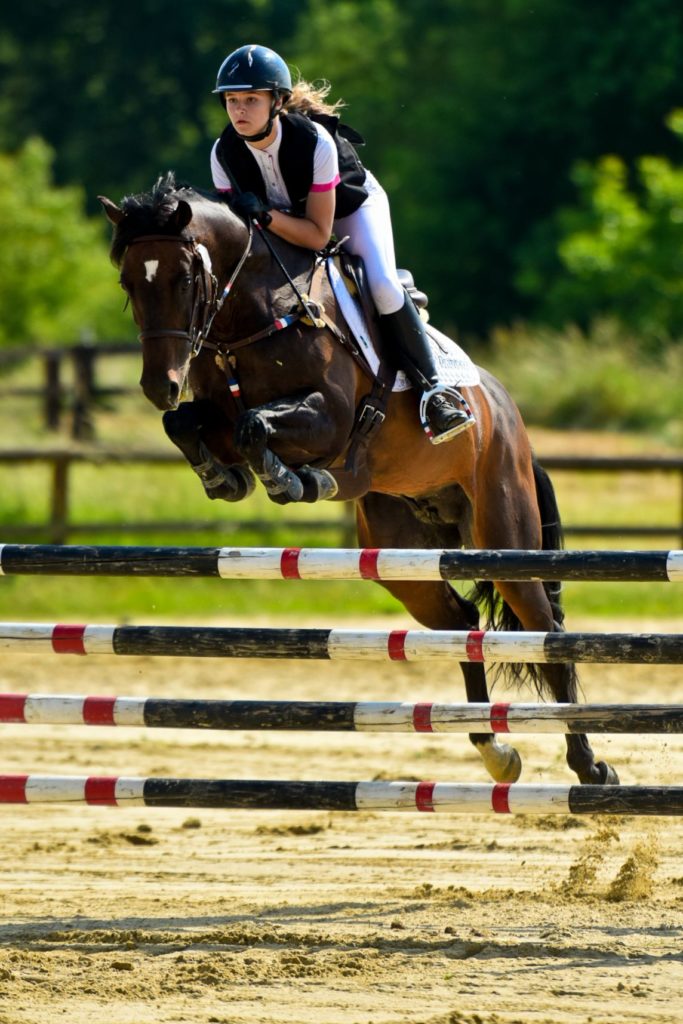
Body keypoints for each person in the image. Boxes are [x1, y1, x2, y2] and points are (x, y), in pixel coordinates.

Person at [210, 44, 474, 442]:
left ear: (277, 101)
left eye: (251, 99)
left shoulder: (314, 142)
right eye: (232, 100)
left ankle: (435, 392)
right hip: (279, 225)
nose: (239, 110)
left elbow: (318, 234)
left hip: (349, 207)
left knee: (382, 284)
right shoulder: (223, 154)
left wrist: (265, 216)